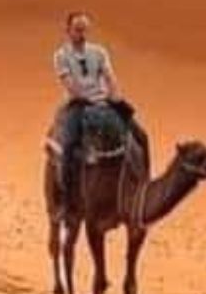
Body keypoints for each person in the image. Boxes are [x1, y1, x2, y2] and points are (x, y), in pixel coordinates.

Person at [52, 12, 148, 206]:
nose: (82, 33)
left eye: (85, 29)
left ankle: (144, 186)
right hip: (78, 104)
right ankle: (65, 192)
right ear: (68, 31)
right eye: (78, 30)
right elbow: (70, 85)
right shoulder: (61, 56)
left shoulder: (99, 52)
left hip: (105, 100)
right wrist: (90, 99)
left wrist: (115, 96)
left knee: (141, 135)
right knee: (69, 144)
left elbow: (109, 76)